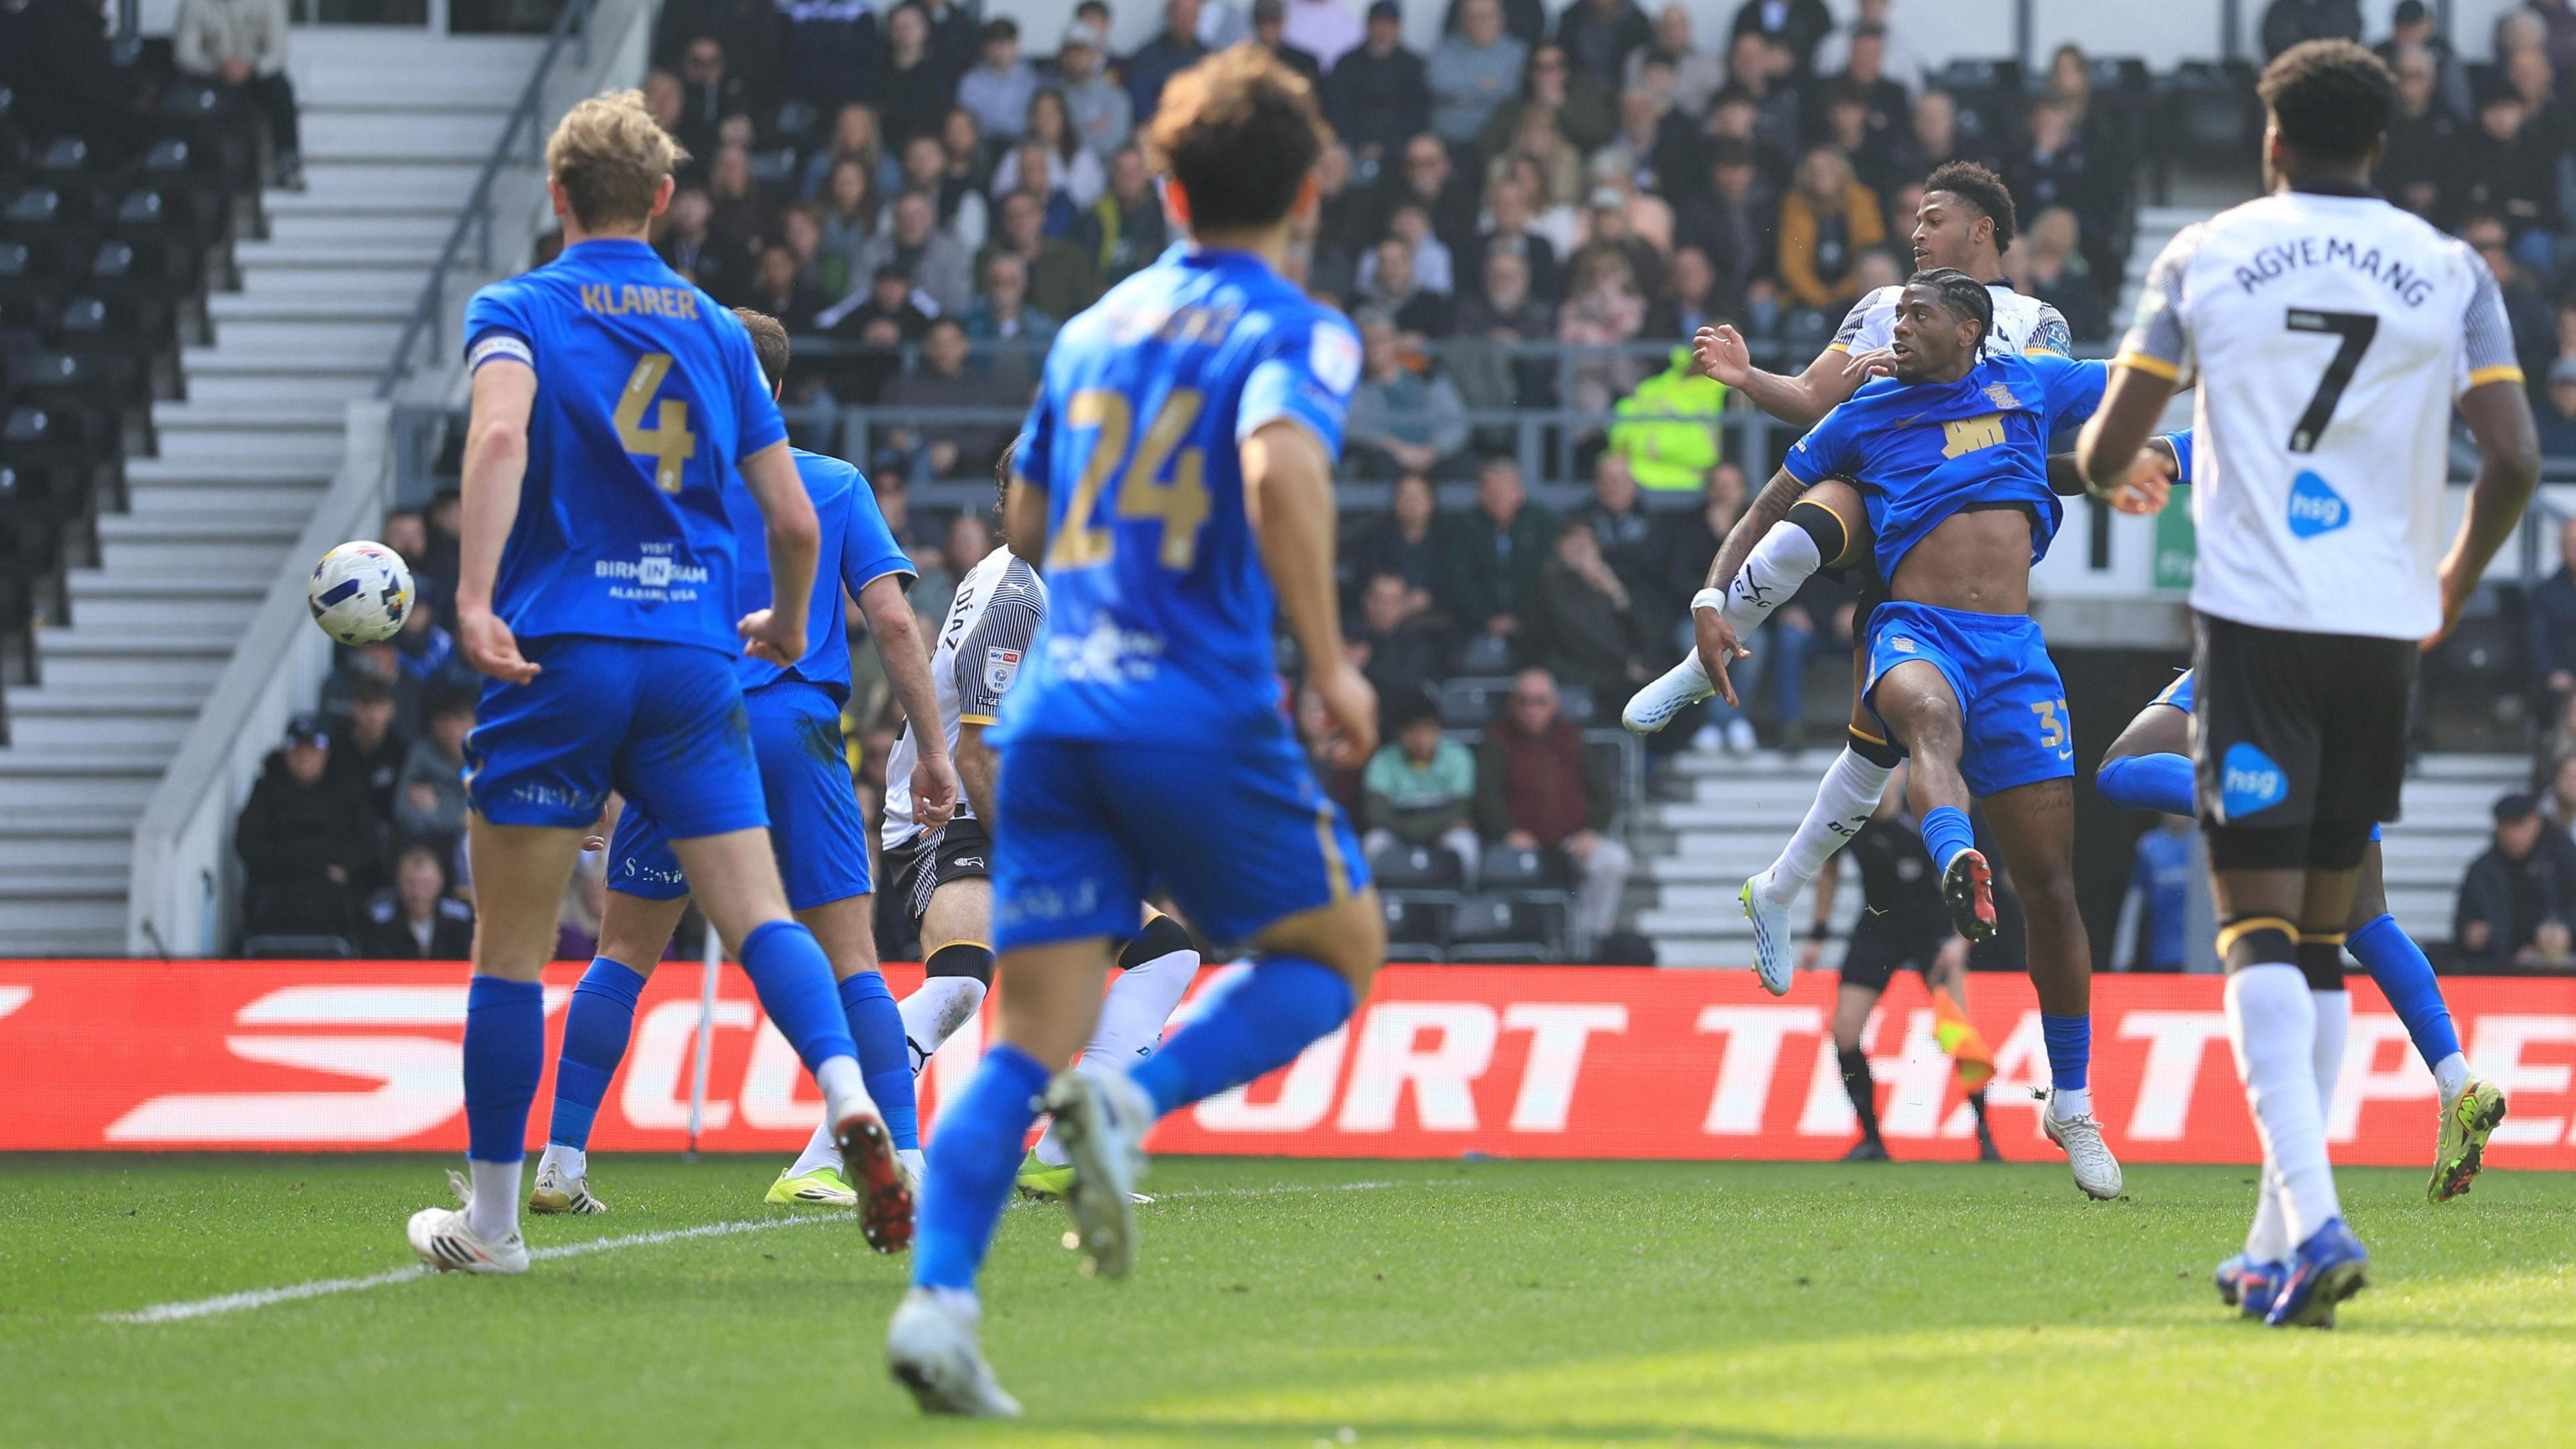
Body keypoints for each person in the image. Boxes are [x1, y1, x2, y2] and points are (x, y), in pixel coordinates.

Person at [887, 48, 1383, 1415]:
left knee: (1027, 1029)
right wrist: (1332, 662)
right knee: (1341, 949)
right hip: (1195, 699)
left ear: (1161, 185)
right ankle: (1133, 1106)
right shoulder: (1298, 327)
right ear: (1308, 187)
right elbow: (1280, 470)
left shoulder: (1088, 327)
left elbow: (1034, 523)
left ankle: (939, 1305)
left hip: (1054, 720)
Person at [404, 92, 929, 1277]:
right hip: (700, 664)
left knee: (520, 948)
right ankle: (850, 1097)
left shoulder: (519, 307)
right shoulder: (716, 330)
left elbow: (496, 445)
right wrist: (789, 625)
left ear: (556, 195)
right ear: (663, 198)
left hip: (566, 651)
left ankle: (494, 1225)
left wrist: (477, 600)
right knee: (764, 920)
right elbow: (793, 518)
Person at [2076, 40, 2540, 1326]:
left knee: (2261, 935)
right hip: (2384, 632)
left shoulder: (2206, 252)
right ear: (2381, 147)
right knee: (2327, 938)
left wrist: (2120, 466)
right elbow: (2513, 454)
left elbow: (2113, 445)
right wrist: (2445, 587)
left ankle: (2317, 1217)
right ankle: (2280, 1240)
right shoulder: (2452, 272)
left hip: (2257, 628)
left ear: (2272, 142)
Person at [1725, 270, 2149, 1203]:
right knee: (1927, 720)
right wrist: (1716, 601)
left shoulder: (2030, 385)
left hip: (2016, 653)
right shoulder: (1864, 412)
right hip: (1913, 628)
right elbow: (1765, 509)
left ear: (1970, 329)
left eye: (1917, 314)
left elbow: (2138, 375)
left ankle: (2070, 1103)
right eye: (1898, 311)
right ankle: (1959, 860)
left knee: (2054, 888)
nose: (1897, 325)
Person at [533, 309, 957, 1214]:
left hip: (677, 726)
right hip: (794, 726)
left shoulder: (655, 491)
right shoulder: (832, 483)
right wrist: (929, 749)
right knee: (851, 957)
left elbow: (609, 629)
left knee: (624, 953)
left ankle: (561, 1163)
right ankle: (909, 1159)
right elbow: (890, 623)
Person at [1625, 164, 2080, 991]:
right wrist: (1746, 378)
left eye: (1933, 218)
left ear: (1982, 230)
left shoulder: (2038, 324)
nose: (1916, 231)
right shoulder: (1881, 308)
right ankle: (1704, 661)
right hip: (1884, 487)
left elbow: (2041, 427)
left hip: (1963, 524)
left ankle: (1780, 886)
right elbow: (1810, 397)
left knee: (1874, 754)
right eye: (1914, 217)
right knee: (1808, 522)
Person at [874, 463, 1209, 1205]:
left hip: (1011, 803)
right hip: (952, 807)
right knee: (961, 981)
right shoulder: (1016, 596)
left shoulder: (1068, 580)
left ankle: (1065, 1154)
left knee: (1163, 956)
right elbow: (974, 752)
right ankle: (837, 1153)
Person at [2096, 656, 2505, 1201]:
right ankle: (2457, 1081)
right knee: (2368, 921)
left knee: (2120, 766)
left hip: (2264, 670)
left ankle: (2247, 799)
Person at [1802, 769, 1998, 1162]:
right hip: (1877, 931)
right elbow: (1829, 868)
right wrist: (1819, 932)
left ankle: (1985, 1136)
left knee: (1956, 1031)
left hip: (1932, 934)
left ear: (1898, 779)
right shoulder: (1850, 821)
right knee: (1844, 1031)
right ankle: (1872, 1138)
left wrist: (1961, 941)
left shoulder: (1922, 819)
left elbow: (1968, 874)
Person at [1475, 667, 1632, 945]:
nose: (1531, 710)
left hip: (1572, 841)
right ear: (1512, 704)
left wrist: (1592, 831)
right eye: (1523, 702)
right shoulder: (1496, 741)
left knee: (1615, 861)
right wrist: (1508, 832)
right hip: (1518, 843)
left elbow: (1603, 795)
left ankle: (1591, 940)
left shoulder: (1572, 738)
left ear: (1554, 704)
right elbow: (1486, 797)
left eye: (1540, 702)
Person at [235, 714, 376, 944]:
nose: (304, 757)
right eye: (297, 749)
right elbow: (248, 844)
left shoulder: (346, 790)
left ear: (326, 754)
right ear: (285, 753)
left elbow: (367, 843)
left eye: (312, 749)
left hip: (332, 893)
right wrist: (310, 860)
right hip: (277, 888)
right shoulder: (267, 790)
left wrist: (345, 867)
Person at [172, 0, 303, 189]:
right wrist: (218, 66)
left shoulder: (270, 3)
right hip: (214, 75)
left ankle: (288, 162)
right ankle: (196, 165)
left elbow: (278, 51)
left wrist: (250, 68)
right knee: (188, 95)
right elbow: (185, 54)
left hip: (257, 74)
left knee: (280, 89)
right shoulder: (195, 4)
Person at [1439, 455, 1554, 653]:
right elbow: (1459, 579)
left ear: (1520, 492)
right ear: (1480, 494)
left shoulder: (1542, 524)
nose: (1498, 496)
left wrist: (1522, 618)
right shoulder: (1464, 527)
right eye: (1491, 490)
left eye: (1505, 490)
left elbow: (1548, 578)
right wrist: (1487, 619)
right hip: (1473, 625)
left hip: (1534, 626)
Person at [1362, 692, 1482, 879]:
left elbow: (1459, 811)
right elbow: (1376, 815)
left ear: (1439, 730)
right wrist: (1417, 830)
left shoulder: (1458, 757)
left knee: (1465, 844)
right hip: (1398, 833)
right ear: (1399, 732)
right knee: (1373, 843)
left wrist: (1420, 828)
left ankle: (1465, 902)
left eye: (1427, 729)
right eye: (1411, 730)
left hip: (1442, 834)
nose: (1420, 738)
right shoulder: (1383, 760)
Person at [2457, 792, 2576, 968]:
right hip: (2501, 969)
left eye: (2519, 825)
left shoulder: (2563, 858)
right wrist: (2471, 933)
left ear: (2536, 823)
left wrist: (2565, 929)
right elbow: (2464, 920)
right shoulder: (2482, 870)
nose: (2513, 834)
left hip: (2558, 965)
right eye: (2506, 826)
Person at [1326, 1, 1431, 167]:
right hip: (1350, 147)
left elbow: (1417, 113)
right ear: (1368, 25)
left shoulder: (1414, 66)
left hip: (1400, 149)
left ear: (1399, 28)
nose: (1383, 30)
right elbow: (1337, 109)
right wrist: (1359, 144)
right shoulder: (1346, 64)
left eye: (1390, 24)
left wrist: (1388, 147)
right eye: (1378, 23)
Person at [1430, 0, 1527, 146]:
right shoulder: (1445, 48)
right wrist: (1485, 87)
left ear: (1501, 19)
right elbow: (1438, 83)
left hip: (1499, 141)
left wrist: (1461, 96)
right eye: (1472, 16)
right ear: (1462, 19)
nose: (1479, 22)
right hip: (1449, 139)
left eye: (1486, 16)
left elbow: (1511, 92)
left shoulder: (1518, 53)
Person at [359, 843, 477, 960]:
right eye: (410, 883)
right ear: (398, 882)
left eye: (426, 884)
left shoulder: (461, 918)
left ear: (441, 882)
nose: (418, 893)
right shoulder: (379, 921)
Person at [2116, 814, 2194, 973]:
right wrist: (2122, 958)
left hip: (2200, 963)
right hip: (2162, 961)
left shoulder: (2204, 844)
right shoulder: (2150, 846)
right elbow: (2133, 906)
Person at [959, 17, 1038, 144]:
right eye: (994, 44)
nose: (999, 50)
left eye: (1005, 43)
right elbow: (968, 122)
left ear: (1016, 45)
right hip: (984, 145)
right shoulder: (971, 81)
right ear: (985, 47)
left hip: (1022, 143)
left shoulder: (1031, 78)